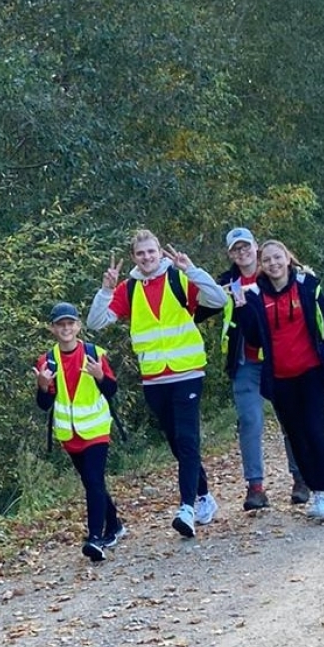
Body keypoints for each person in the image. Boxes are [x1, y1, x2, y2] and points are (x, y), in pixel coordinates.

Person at [86, 229, 227, 538]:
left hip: (188, 371)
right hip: (154, 377)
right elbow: (95, 323)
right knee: (177, 442)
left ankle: (186, 508)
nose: (147, 257)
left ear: (160, 252)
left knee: (188, 439)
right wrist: (105, 290)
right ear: (135, 257)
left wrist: (191, 269)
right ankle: (204, 495)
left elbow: (218, 298)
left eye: (151, 251)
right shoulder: (129, 288)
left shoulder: (179, 277)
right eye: (141, 253)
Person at [231, 240, 324, 522]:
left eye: (278, 258)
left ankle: (323, 494)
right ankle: (313, 488)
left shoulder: (308, 286)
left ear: (287, 259)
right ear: (261, 265)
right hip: (279, 378)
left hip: (311, 372)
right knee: (296, 436)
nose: (273, 264)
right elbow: (252, 338)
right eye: (267, 260)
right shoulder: (254, 295)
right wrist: (241, 312)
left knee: (315, 430)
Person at [217, 227, 310, 510]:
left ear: (256, 248)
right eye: (236, 249)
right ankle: (255, 488)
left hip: (278, 359)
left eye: (246, 247)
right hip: (245, 361)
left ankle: (301, 479)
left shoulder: (272, 271)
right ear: (230, 254)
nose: (242, 253)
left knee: (290, 419)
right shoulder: (226, 282)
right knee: (250, 422)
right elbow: (199, 306)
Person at [34, 302, 126, 562]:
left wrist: (99, 376)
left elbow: (111, 391)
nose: (66, 328)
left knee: (94, 482)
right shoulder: (47, 360)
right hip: (69, 434)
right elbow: (44, 404)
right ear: (53, 328)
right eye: (60, 324)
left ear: (78, 326)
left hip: (96, 429)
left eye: (70, 323)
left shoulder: (94, 353)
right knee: (91, 482)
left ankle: (95, 538)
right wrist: (42, 386)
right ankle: (115, 525)